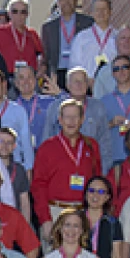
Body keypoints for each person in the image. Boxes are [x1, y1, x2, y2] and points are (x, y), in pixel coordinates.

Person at [31, 101, 102, 240]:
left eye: (75, 117)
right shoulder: (47, 147)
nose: (71, 121)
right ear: (60, 119)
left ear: (82, 119)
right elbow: (38, 186)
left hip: (83, 213)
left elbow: (97, 181)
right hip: (55, 212)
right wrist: (45, 220)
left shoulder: (91, 145)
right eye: (67, 117)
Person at [39, 67, 112, 165]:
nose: (79, 84)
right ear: (67, 85)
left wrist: (102, 174)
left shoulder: (98, 107)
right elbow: (47, 139)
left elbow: (105, 143)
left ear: (88, 85)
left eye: (83, 81)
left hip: (89, 166)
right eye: (75, 81)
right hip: (60, 165)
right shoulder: (55, 107)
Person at [41, 0, 94, 90]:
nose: (67, 2)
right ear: (58, 2)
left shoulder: (87, 22)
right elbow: (46, 55)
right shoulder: (48, 27)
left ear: (76, 1)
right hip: (58, 73)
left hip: (81, 72)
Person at [83, 175, 127, 258]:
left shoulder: (113, 223)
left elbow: (117, 257)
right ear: (86, 194)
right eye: (91, 191)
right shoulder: (76, 220)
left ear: (107, 197)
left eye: (101, 192)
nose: (95, 195)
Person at [0, 0, 44, 76]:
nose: (19, 15)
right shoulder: (0, 32)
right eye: (15, 11)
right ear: (9, 13)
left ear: (27, 14)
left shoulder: (32, 34)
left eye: (23, 12)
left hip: (28, 78)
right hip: (7, 77)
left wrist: (40, 72)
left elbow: (42, 56)